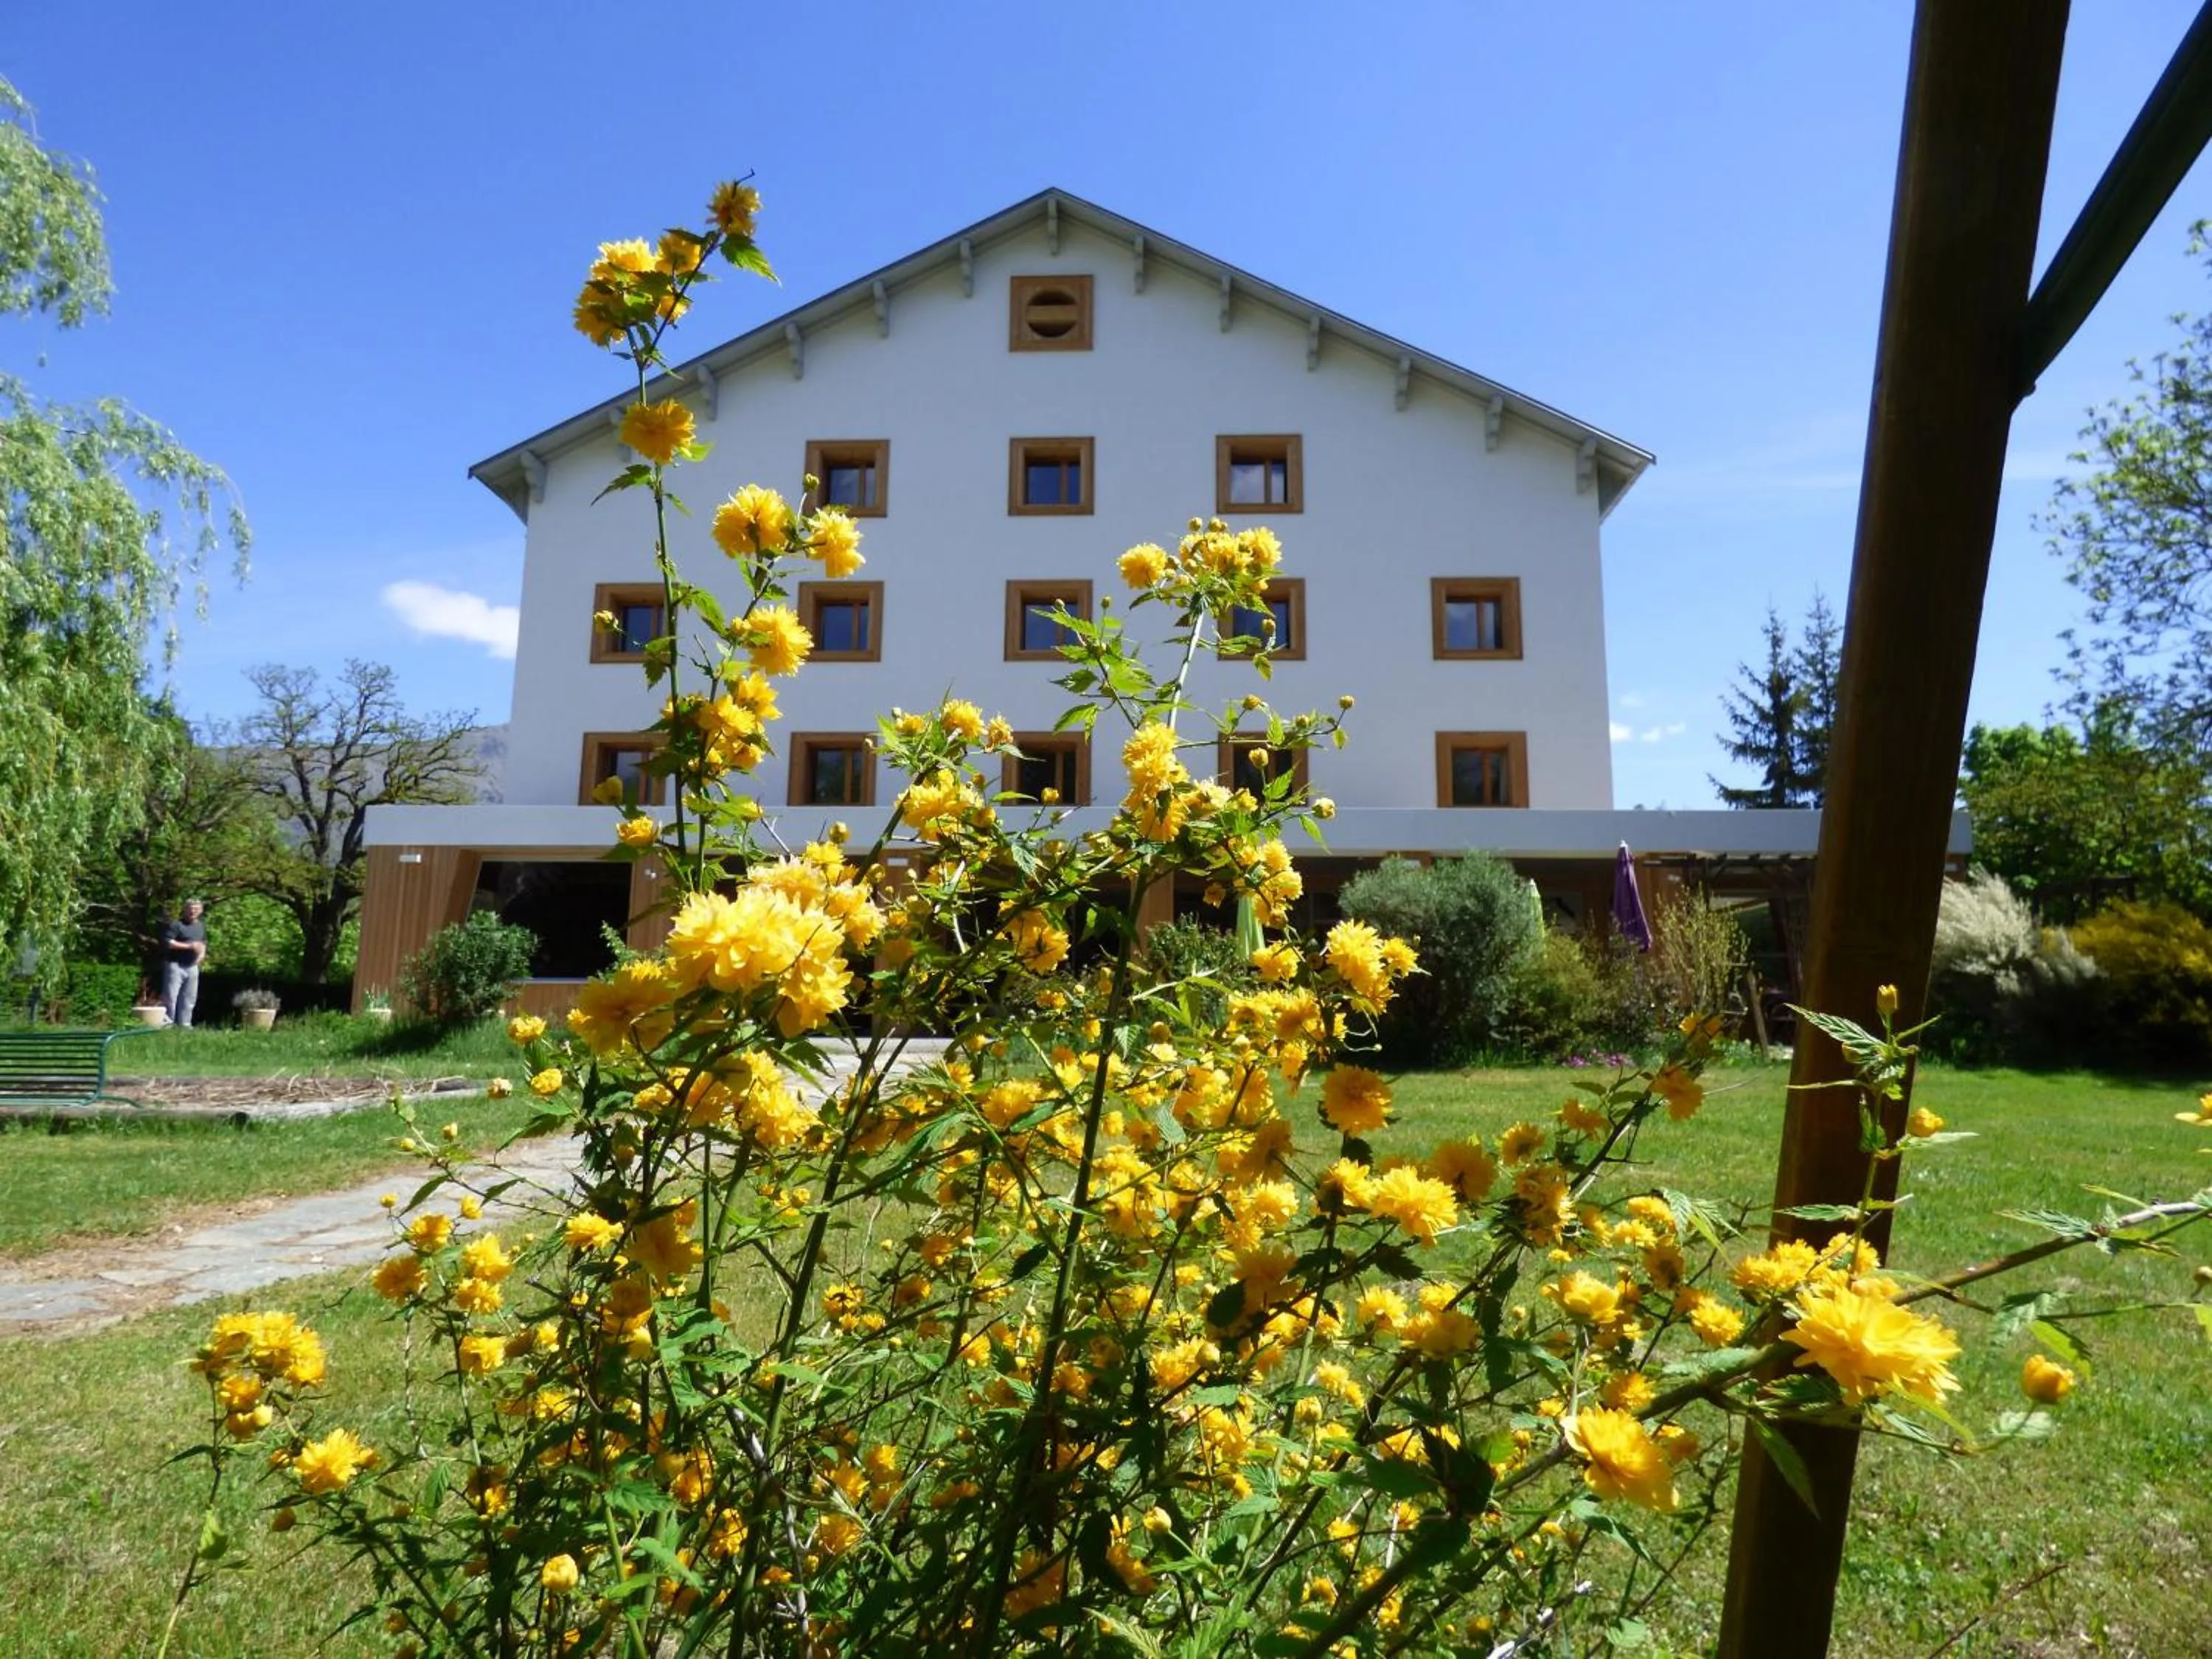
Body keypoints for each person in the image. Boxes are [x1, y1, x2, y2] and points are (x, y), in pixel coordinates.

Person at [159, 898, 208, 1029]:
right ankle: (168, 1024)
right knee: (170, 996)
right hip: (175, 965)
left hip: (192, 966)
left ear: (201, 910)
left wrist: (201, 955)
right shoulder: (176, 925)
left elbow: (203, 943)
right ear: (185, 910)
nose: (193, 911)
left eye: (196, 909)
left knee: (190, 997)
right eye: (190, 908)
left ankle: (185, 1025)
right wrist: (190, 946)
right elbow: (169, 942)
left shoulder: (201, 926)